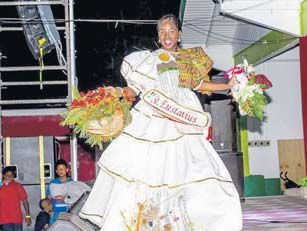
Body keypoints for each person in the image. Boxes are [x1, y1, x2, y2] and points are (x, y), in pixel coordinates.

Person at [79, 14, 242, 230]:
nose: (167, 36)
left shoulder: (189, 59)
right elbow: (135, 90)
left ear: (179, 34)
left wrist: (227, 86)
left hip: (182, 119)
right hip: (150, 120)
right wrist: (113, 94)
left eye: (171, 31)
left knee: (191, 169)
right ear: (158, 35)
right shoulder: (146, 60)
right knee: (142, 170)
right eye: (162, 31)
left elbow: (201, 85)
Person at [0, 166, 32, 231]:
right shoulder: (1, 187)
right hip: (4, 220)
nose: (9, 177)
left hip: (17, 219)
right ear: (3, 176)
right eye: (7, 175)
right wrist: (1, 184)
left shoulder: (18, 186)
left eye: (11, 175)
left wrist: (28, 215)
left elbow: (25, 201)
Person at [46, 159, 73, 226]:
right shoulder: (52, 183)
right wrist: (49, 211)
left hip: (68, 214)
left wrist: (64, 198)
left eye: (62, 169)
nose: (61, 171)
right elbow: (48, 199)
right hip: (55, 214)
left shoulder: (72, 183)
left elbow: (75, 198)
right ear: (56, 171)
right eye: (59, 169)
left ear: (67, 170)